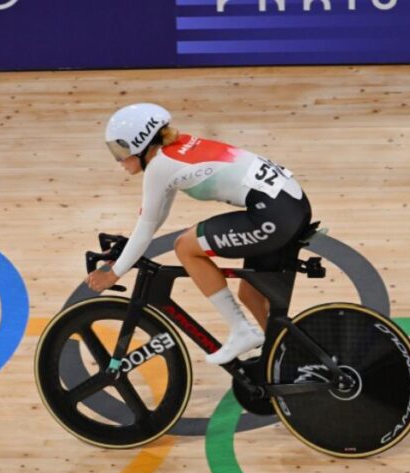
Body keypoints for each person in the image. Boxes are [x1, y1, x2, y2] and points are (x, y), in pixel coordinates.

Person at [85, 103, 312, 365]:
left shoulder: (160, 166)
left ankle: (242, 331)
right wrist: (124, 257)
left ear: (140, 142)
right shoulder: (179, 147)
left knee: (185, 246)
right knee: (250, 294)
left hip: (273, 215)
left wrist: (114, 274)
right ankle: (290, 359)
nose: (119, 160)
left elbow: (146, 227)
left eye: (120, 150)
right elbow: (156, 217)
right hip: (289, 206)